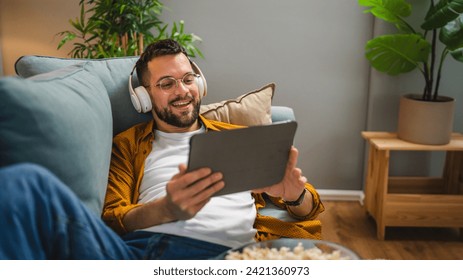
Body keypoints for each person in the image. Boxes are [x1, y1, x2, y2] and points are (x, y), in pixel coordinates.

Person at [0, 39, 324, 260]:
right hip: (142, 255)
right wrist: (167, 208)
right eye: (166, 84)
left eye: (187, 79)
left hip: (235, 257)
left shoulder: (238, 137)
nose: (182, 91)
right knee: (21, 182)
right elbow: (110, 220)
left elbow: (306, 210)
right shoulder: (127, 146)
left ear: (200, 83)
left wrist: (295, 194)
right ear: (144, 97)